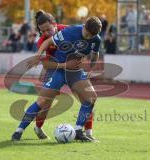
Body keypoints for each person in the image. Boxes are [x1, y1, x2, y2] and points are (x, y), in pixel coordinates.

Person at [11, 13, 98, 142]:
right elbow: (46, 63)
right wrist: (63, 64)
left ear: (55, 24)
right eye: (43, 31)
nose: (46, 32)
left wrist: (88, 66)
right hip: (54, 69)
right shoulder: (43, 41)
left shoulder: (69, 30)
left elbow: (86, 45)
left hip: (74, 71)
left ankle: (85, 132)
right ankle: (26, 129)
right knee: (44, 103)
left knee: (89, 99)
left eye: (48, 29)